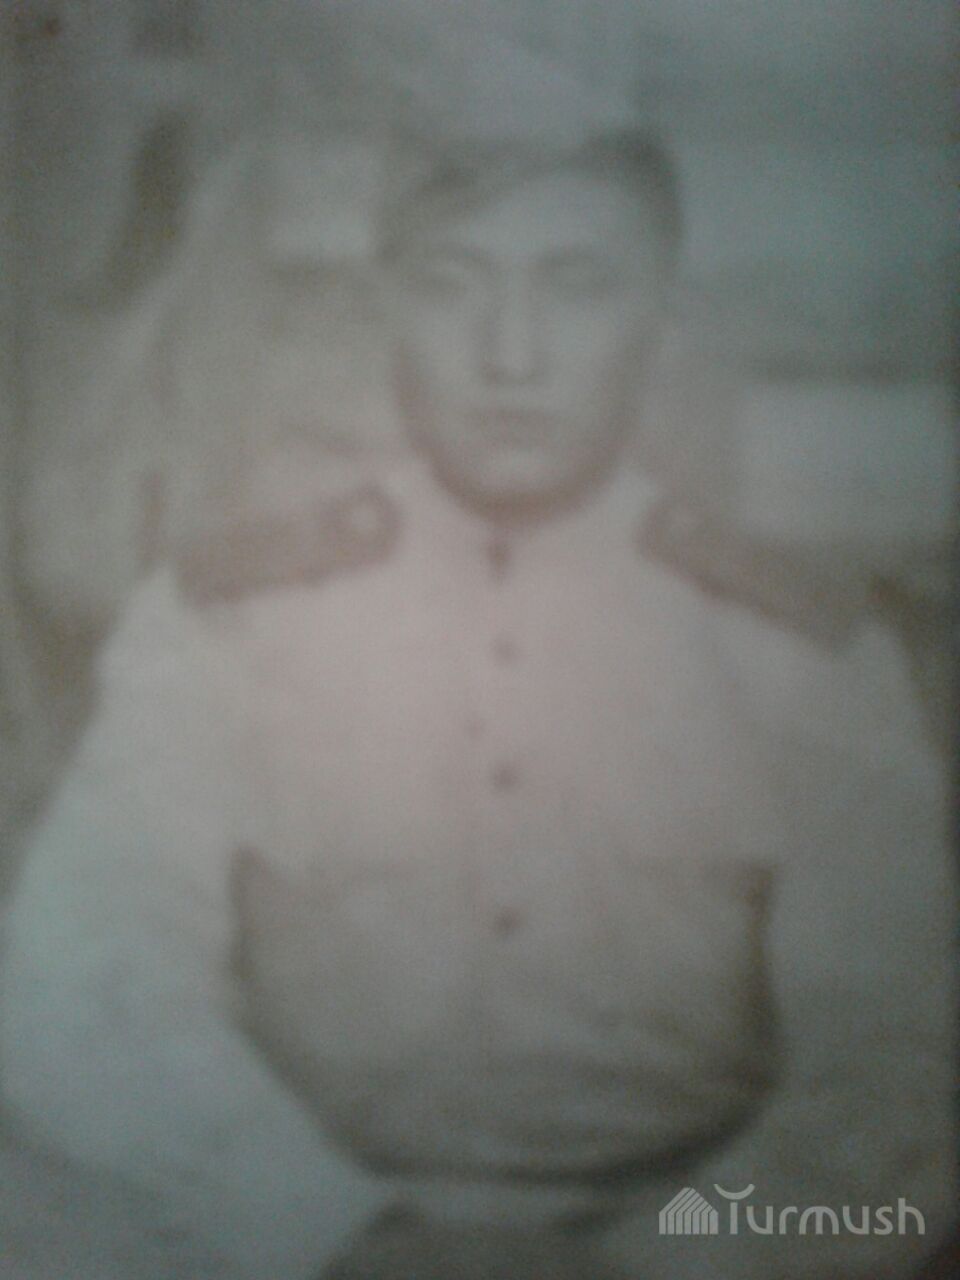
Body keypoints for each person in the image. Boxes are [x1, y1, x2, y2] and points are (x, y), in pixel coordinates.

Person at [0, 131, 954, 1280]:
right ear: (387, 310)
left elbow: (900, 1055)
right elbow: (86, 985)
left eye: (577, 285)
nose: (513, 354)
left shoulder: (801, 645)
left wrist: (664, 1263)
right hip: (291, 1236)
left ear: (659, 317)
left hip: (698, 1243)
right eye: (454, 286)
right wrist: (341, 1234)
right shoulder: (226, 618)